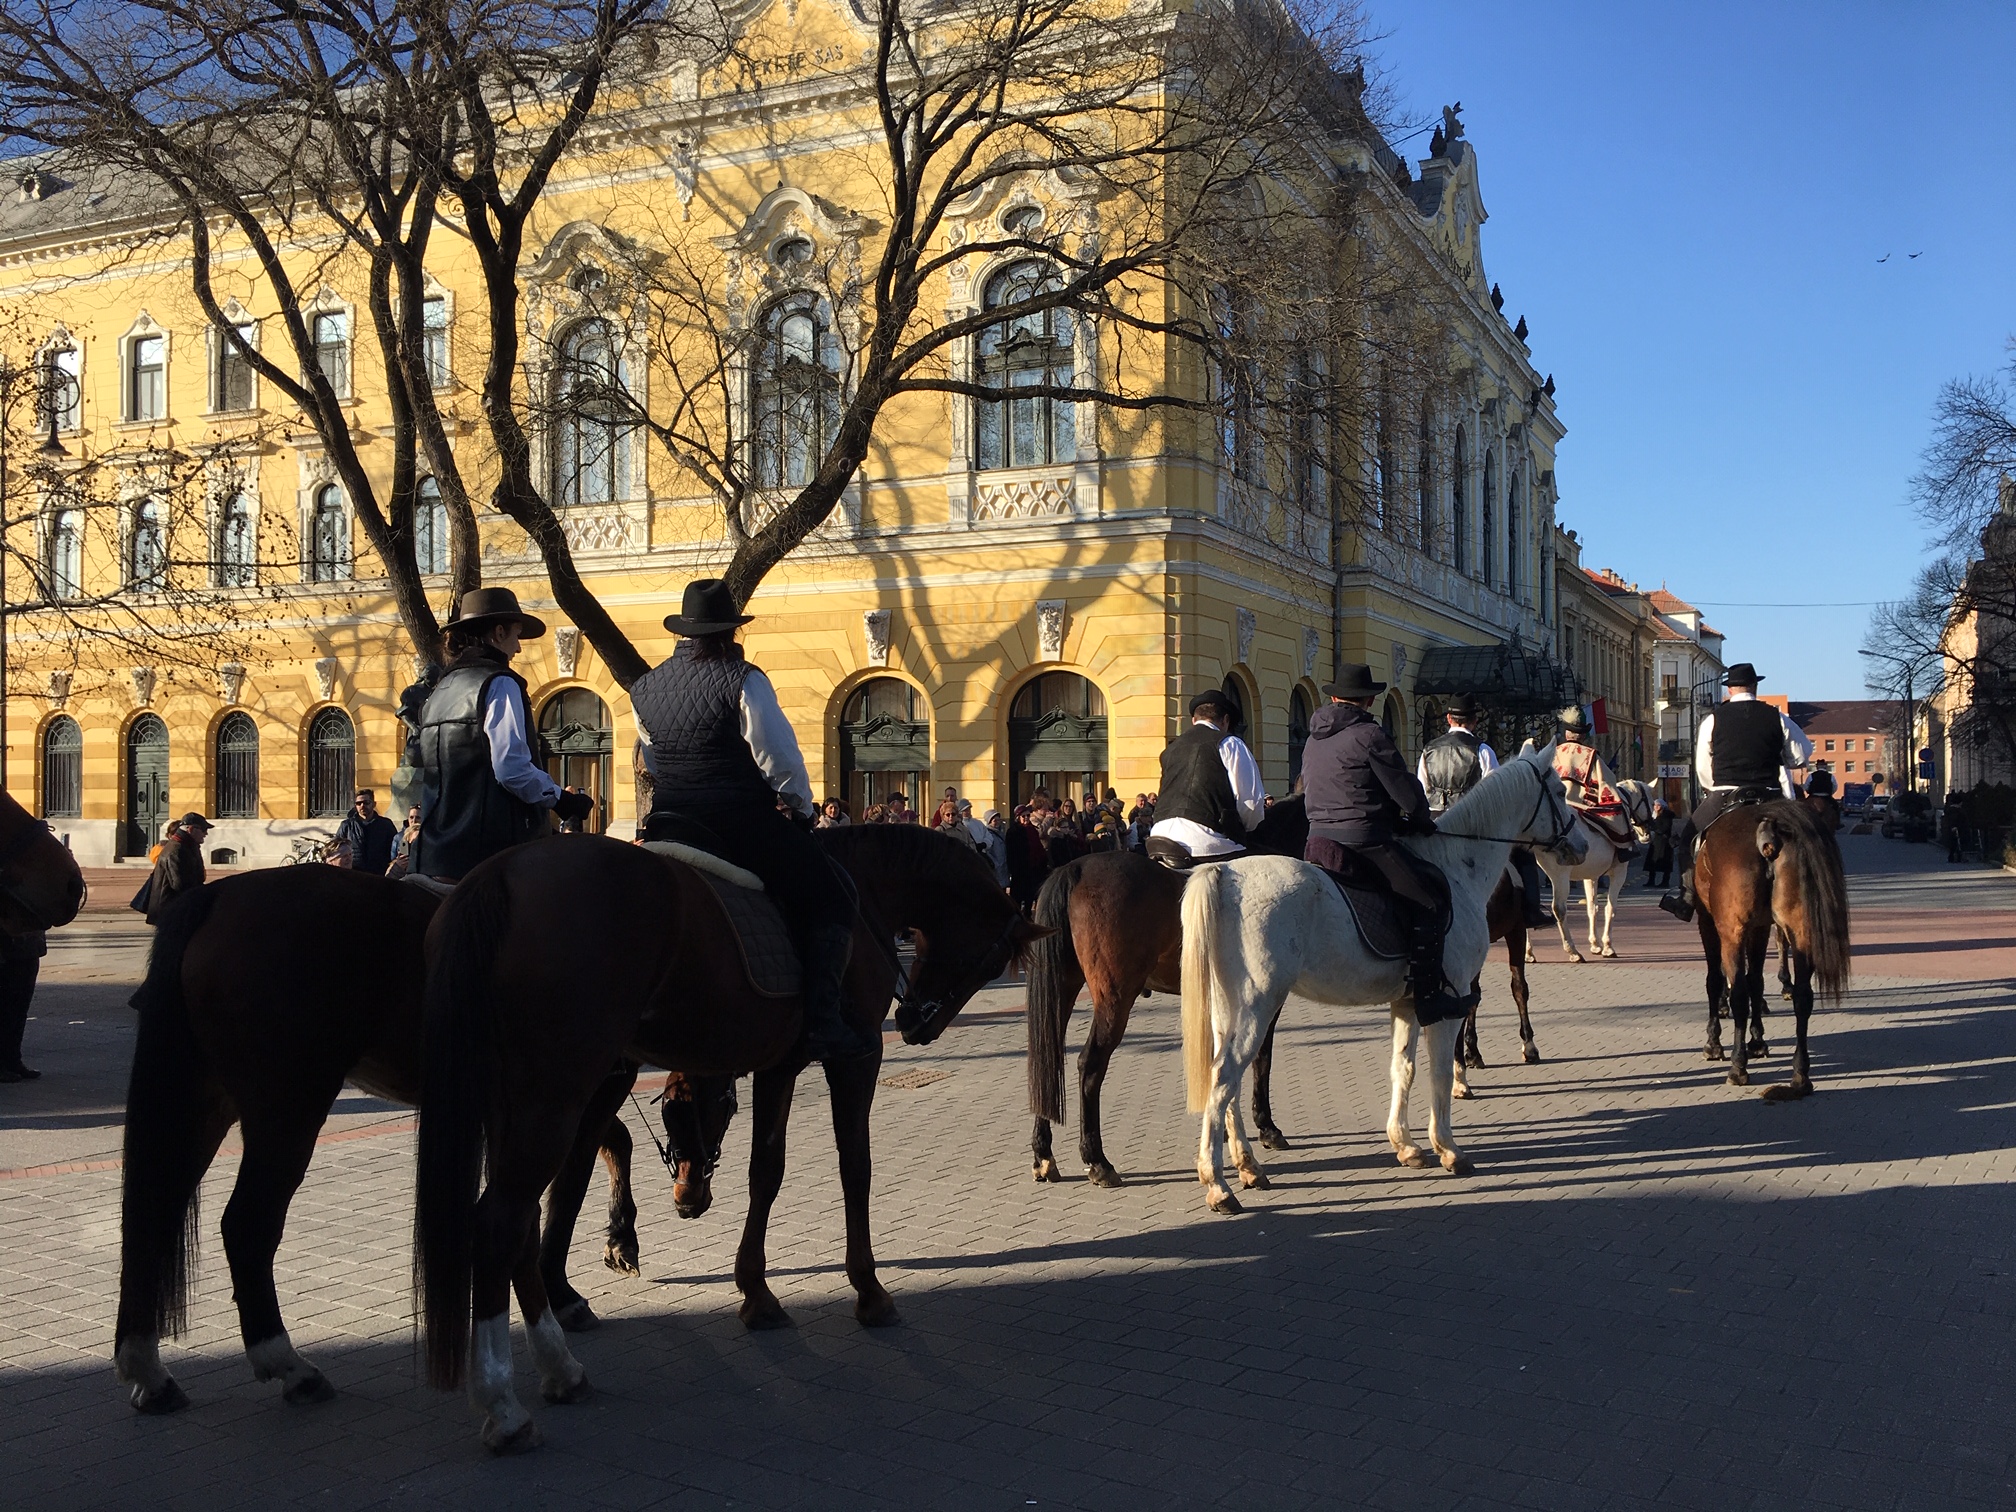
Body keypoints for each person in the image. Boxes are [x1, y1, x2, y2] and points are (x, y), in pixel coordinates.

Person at [631, 578, 874, 1063]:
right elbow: (777, 756)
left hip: (669, 823)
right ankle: (823, 1022)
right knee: (833, 894)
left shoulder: (644, 687)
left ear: (685, 632)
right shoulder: (743, 678)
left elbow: (653, 761)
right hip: (736, 823)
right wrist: (801, 808)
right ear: (729, 632)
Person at [1299, 665, 1460, 1021]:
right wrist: (1419, 820)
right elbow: (1407, 794)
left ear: (1332, 696)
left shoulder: (1313, 738)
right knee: (1429, 897)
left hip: (1316, 841)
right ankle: (1428, 996)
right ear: (1370, 699)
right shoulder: (1369, 734)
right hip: (1364, 842)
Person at [414, 587, 594, 880]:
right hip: (490, 856)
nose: (518, 648)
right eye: (515, 636)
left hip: (433, 855)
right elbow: (511, 769)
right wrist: (562, 800)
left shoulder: (439, 690)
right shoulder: (500, 683)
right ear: (498, 633)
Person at [1660, 662, 1812, 921]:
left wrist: (1716, 787)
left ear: (1729, 689)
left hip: (1725, 793)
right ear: (1755, 687)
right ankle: (1810, 895)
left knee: (1688, 838)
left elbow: (1703, 769)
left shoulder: (1713, 720)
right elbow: (1800, 756)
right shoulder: (1776, 717)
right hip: (1770, 794)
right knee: (1808, 839)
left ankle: (1686, 897)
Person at [1419, 694, 1546, 927]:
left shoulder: (1428, 750)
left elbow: (1423, 788)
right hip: (1471, 825)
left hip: (1435, 823)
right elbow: (1495, 794)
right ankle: (1531, 909)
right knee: (1524, 853)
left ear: (1449, 718)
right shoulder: (1482, 749)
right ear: (1475, 721)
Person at [1147, 689, 1266, 862]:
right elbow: (1251, 803)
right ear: (1225, 720)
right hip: (1207, 841)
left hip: (1159, 836)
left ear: (1194, 720)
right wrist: (1247, 829)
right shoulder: (1230, 743)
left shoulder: (1169, 749)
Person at [146, 812, 212, 925]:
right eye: (203, 829)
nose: (206, 834)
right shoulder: (177, 850)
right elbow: (180, 885)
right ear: (191, 829)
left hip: (177, 908)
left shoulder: (187, 846)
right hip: (171, 911)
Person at [0, 928, 48, 1082]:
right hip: (5, 945)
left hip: (28, 945)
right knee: (5, 1008)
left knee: (20, 1008)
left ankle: (13, 1060)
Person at [333, 789, 399, 876]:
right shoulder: (347, 825)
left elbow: (395, 848)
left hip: (379, 874)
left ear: (374, 804)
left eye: (366, 802)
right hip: (354, 873)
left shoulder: (385, 824)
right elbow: (336, 849)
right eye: (358, 803)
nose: (362, 806)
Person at [1007, 804, 1049, 911]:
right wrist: (1014, 868)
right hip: (1020, 870)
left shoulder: (1032, 830)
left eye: (1027, 816)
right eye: (1023, 816)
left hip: (1033, 869)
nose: (1026, 818)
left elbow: (1038, 847)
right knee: (1017, 898)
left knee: (1030, 897)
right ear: (1018, 818)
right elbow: (1011, 852)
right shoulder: (1013, 832)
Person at [1643, 798, 1676, 889]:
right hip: (1655, 842)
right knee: (1652, 862)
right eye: (1655, 805)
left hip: (1664, 842)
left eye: (1658, 805)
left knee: (1665, 862)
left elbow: (1663, 828)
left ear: (1663, 806)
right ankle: (1651, 880)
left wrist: (1653, 827)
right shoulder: (1654, 815)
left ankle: (1665, 881)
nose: (1656, 807)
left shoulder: (1666, 815)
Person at [385, 805, 423, 879]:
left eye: (418, 817)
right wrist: (398, 867)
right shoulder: (399, 838)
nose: (414, 820)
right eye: (411, 817)